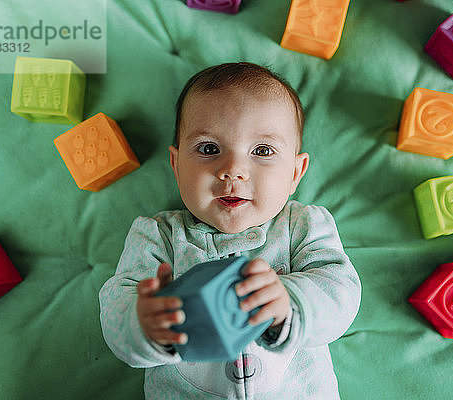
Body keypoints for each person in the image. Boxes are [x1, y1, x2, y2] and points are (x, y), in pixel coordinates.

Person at [99, 62, 361, 399]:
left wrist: (289, 303)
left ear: (296, 172)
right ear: (177, 167)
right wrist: (144, 325)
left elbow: (341, 292)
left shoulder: (302, 226)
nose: (233, 170)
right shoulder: (158, 236)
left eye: (262, 151)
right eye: (209, 149)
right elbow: (116, 307)